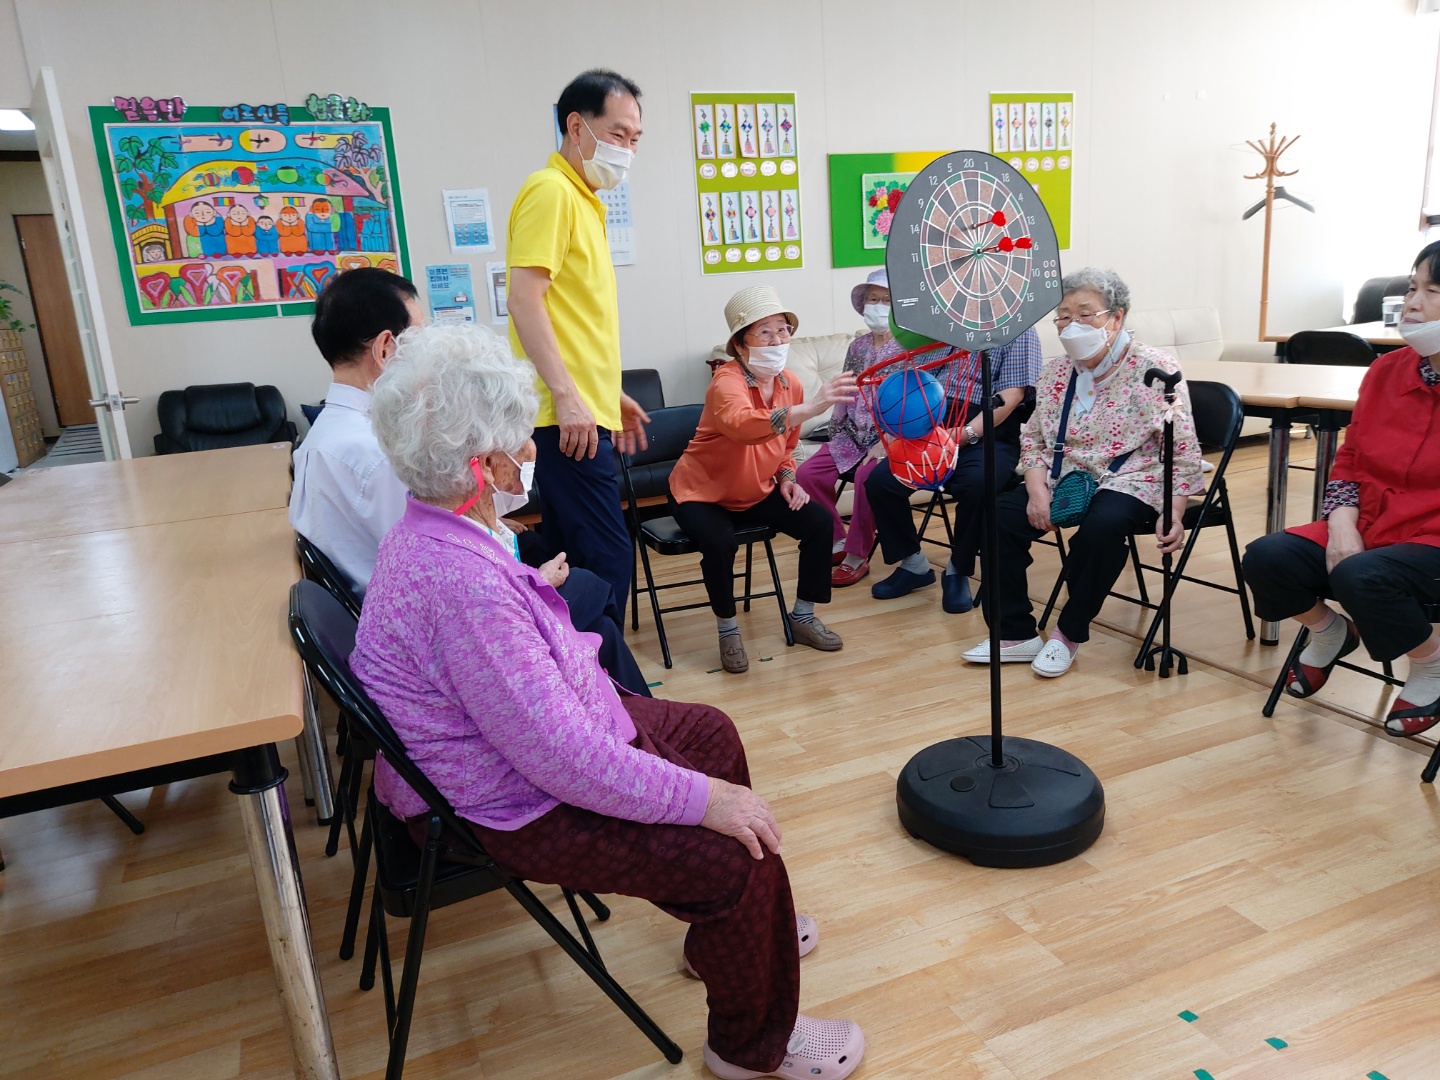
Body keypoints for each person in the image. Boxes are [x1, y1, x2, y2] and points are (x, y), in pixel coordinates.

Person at [351, 323, 865, 1080]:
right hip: (506, 801)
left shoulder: (438, 529)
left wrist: (534, 592)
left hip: (533, 743)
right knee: (737, 855)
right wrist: (705, 803)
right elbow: (561, 760)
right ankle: (750, 1047)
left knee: (713, 733)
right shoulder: (460, 586)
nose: (530, 454)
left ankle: (725, 938)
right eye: (519, 443)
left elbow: (504, 676)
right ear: (479, 466)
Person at [290, 267, 650, 696]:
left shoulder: (325, 438)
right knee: (592, 592)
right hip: (441, 629)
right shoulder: (380, 448)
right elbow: (435, 555)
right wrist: (532, 581)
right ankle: (618, 713)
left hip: (405, 614)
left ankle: (615, 707)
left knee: (589, 604)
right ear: (386, 348)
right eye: (419, 337)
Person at [1241, 243, 1440, 737]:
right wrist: (1342, 521)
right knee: (1267, 557)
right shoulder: (1387, 370)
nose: (1412, 303)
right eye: (1412, 288)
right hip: (1374, 522)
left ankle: (1431, 665)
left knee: (1361, 575)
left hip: (1431, 540)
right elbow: (1350, 457)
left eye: (1432, 291)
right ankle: (1330, 631)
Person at [964, 267, 1200, 678]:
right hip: (1065, 473)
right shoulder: (1057, 371)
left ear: (1117, 316)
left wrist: (1175, 512)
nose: (1072, 325)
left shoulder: (1155, 369)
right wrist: (1036, 491)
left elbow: (1182, 450)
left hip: (1132, 477)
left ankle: (1068, 633)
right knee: (999, 517)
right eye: (1063, 316)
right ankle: (1015, 633)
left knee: (1102, 527)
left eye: (1085, 314)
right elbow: (1033, 438)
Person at [507, 69, 650, 622]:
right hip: (564, 419)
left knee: (576, 559)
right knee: (606, 560)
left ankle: (573, 666)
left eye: (635, 139)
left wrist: (608, 392)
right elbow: (525, 301)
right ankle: (598, 672)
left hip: (583, 410)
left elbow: (575, 319)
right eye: (617, 134)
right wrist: (568, 396)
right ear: (576, 126)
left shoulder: (583, 200)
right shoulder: (552, 192)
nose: (627, 150)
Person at [668, 287, 857, 674]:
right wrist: (812, 407)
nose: (778, 340)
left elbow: (786, 446)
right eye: (765, 332)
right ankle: (728, 630)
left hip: (756, 489)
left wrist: (787, 477)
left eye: (783, 330)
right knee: (719, 543)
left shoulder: (791, 384)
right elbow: (741, 425)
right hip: (702, 492)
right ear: (740, 344)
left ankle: (803, 616)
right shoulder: (726, 381)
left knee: (819, 523)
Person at [866, 320, 1043, 613]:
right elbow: (917, 382)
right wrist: (902, 431)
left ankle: (958, 569)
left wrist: (964, 434)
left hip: (990, 426)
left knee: (978, 483)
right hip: (935, 419)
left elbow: (1011, 397)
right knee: (881, 482)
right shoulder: (946, 322)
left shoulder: (1018, 327)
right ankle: (913, 564)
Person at [794, 268, 899, 589]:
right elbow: (845, 391)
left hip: (891, 438)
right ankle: (836, 538)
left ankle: (857, 554)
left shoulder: (910, 347)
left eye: (886, 300)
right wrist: (837, 431)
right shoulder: (858, 347)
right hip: (853, 434)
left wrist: (888, 441)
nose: (877, 306)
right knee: (807, 474)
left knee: (868, 478)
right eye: (872, 299)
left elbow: (914, 402)